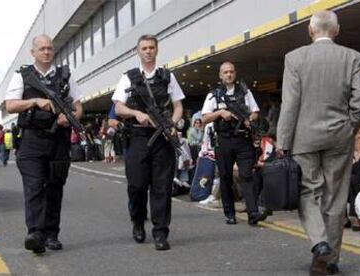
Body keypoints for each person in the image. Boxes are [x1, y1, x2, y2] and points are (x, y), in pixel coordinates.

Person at [276, 11, 360, 275]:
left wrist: (283, 141)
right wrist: (349, 126)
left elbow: (290, 104)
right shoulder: (352, 57)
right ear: (336, 31)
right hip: (340, 137)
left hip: (304, 137)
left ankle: (319, 243)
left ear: (310, 31)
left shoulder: (294, 58)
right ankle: (332, 259)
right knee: (336, 196)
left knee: (307, 191)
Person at [5, 34, 83, 254]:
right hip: (31, 140)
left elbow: (79, 106)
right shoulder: (23, 76)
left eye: (50, 48)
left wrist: (69, 117)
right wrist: (34, 101)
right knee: (34, 187)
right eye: (42, 49)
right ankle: (35, 233)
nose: (47, 52)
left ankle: (51, 235)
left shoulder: (66, 75)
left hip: (59, 139)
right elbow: (10, 105)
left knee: (55, 188)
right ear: (33, 52)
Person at [112, 34, 184, 251]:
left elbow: (178, 105)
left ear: (157, 50)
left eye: (151, 47)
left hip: (162, 138)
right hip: (137, 137)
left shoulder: (167, 76)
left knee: (162, 187)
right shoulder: (129, 77)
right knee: (137, 186)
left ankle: (161, 233)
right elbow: (118, 107)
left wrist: (172, 122)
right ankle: (137, 221)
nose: (148, 51)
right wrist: (136, 113)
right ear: (138, 51)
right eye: (144, 48)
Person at [201, 61, 266, 226]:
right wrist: (220, 113)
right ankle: (229, 213)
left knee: (246, 175)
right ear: (220, 76)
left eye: (231, 72)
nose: (229, 74)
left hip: (243, 139)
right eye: (225, 72)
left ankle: (253, 213)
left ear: (235, 74)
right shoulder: (214, 94)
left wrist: (248, 119)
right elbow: (205, 118)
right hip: (223, 139)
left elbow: (255, 112)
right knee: (225, 177)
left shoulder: (244, 91)